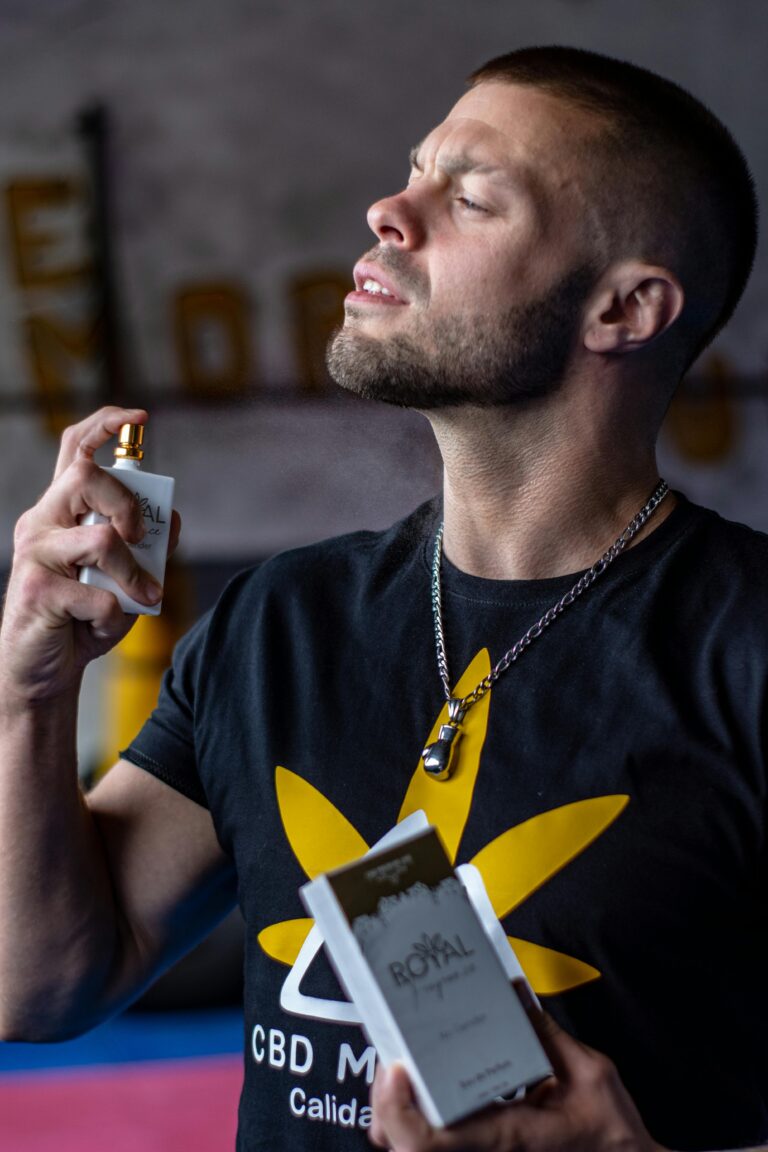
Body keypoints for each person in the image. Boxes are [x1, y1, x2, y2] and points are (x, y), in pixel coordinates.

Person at [0, 44, 765, 1152]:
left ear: (625, 309)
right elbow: (42, 987)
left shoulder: (744, 647)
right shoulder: (279, 624)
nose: (389, 210)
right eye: (415, 170)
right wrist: (29, 691)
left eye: (471, 197)